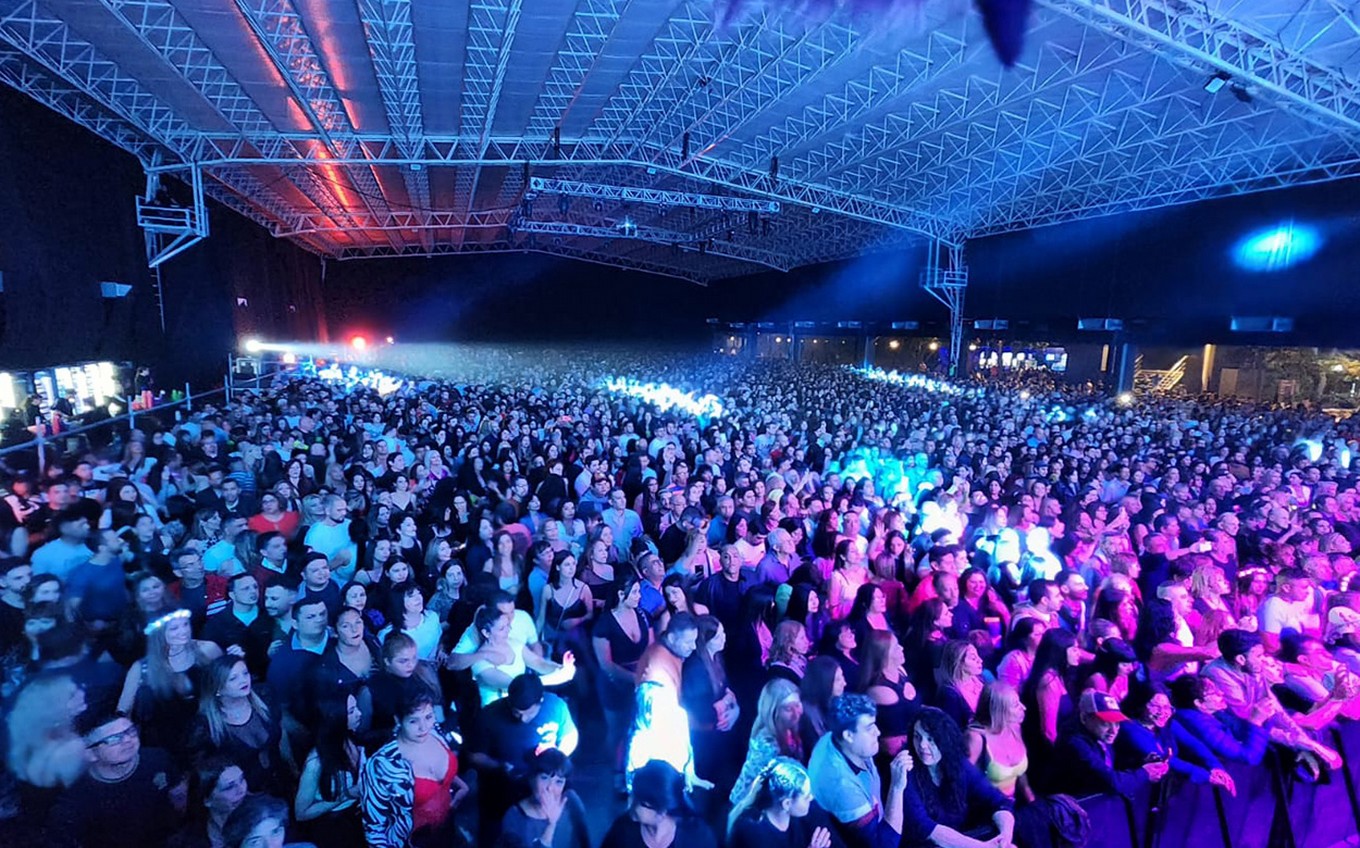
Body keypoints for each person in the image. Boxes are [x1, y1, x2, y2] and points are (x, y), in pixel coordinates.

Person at [49, 710, 183, 848]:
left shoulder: (158, 758)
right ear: (90, 754)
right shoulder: (77, 798)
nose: (127, 740)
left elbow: (177, 794)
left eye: (130, 731)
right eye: (114, 739)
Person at [361, 689, 469, 848]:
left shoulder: (436, 734)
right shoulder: (383, 764)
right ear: (398, 720)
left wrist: (461, 787)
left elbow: (443, 773)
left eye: (428, 717)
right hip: (409, 840)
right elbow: (374, 827)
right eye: (413, 721)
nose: (423, 727)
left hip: (447, 828)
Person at [901, 707, 1016, 848]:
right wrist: (984, 847)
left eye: (931, 739)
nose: (922, 745)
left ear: (945, 740)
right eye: (917, 737)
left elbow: (999, 801)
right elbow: (926, 829)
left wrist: (1005, 837)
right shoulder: (907, 770)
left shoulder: (959, 764)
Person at [807, 694, 911, 848]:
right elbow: (883, 846)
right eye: (869, 728)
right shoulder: (842, 786)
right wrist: (896, 787)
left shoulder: (840, 739)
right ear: (848, 735)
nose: (878, 732)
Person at [117, 607, 223, 753]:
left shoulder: (207, 650)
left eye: (186, 624)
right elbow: (123, 710)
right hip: (162, 743)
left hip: (207, 734)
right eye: (174, 628)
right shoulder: (141, 668)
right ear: (159, 634)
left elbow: (227, 681)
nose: (183, 631)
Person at [1113, 680, 1236, 793]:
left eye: (1167, 707)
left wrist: (1216, 767)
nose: (1162, 712)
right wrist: (1206, 776)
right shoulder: (1129, 728)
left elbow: (1193, 743)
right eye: (1155, 706)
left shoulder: (1169, 721)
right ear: (1140, 704)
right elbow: (1164, 759)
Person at [189, 656, 284, 794]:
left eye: (245, 673)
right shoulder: (205, 727)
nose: (244, 680)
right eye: (233, 678)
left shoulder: (265, 696)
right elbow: (204, 771)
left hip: (280, 781)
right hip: (242, 794)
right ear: (218, 688)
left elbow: (280, 735)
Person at [1049, 691, 1167, 798]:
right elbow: (1112, 782)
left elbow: (1111, 767)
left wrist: (1141, 763)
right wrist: (1145, 773)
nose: (1113, 730)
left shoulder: (1100, 737)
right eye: (1105, 723)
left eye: (1117, 724)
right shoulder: (1075, 744)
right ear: (1084, 718)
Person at [294, 692, 366, 848]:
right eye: (351, 711)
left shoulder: (351, 738)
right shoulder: (315, 762)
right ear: (335, 717)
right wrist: (345, 795)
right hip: (335, 828)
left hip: (359, 816)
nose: (359, 713)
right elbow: (301, 813)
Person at [728, 757, 842, 848]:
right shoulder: (753, 832)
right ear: (786, 804)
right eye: (806, 796)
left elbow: (834, 841)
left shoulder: (808, 809)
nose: (811, 798)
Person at [600, 760, 717, 848]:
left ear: (661, 811)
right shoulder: (622, 831)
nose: (630, 802)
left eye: (639, 801)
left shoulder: (698, 838)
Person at [730, 678, 806, 803]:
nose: (796, 713)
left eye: (797, 705)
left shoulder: (790, 726)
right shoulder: (767, 745)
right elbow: (750, 790)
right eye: (788, 709)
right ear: (773, 711)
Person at [497, 748, 591, 848]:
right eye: (544, 778)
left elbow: (585, 842)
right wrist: (551, 825)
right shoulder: (514, 816)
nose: (550, 788)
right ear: (531, 778)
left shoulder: (571, 801)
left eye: (559, 782)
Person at [1168, 673, 1270, 766]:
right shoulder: (1200, 725)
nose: (1221, 693)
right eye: (1214, 693)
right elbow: (1249, 758)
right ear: (1199, 703)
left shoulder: (1215, 712)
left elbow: (1240, 730)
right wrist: (1256, 722)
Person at [967, 683, 1033, 802]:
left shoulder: (1014, 727)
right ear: (998, 711)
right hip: (988, 808)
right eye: (1015, 705)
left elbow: (1020, 773)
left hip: (1014, 802)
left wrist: (1030, 797)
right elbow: (965, 782)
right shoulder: (976, 738)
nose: (1023, 708)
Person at [859, 630, 920, 756]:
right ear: (885, 655)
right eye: (896, 647)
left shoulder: (900, 671)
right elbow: (893, 741)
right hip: (899, 754)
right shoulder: (880, 690)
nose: (901, 648)